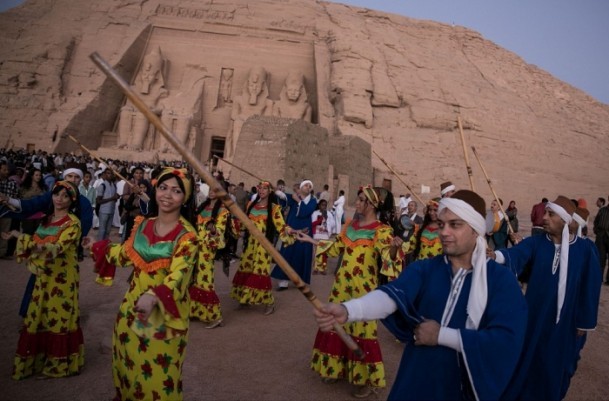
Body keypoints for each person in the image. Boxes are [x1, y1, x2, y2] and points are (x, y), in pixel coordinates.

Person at [313, 190, 528, 400]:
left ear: (476, 229)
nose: (444, 232)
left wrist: (441, 335)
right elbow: (391, 296)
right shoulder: (426, 268)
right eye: (442, 224)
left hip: (462, 387)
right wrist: (348, 310)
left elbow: (505, 341)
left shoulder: (502, 281)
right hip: (416, 378)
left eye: (455, 225)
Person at [90, 168, 199, 401]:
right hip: (131, 310)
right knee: (128, 369)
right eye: (163, 188)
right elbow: (123, 254)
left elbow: (179, 275)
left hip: (163, 316)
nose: (167, 195)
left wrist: (154, 296)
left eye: (176, 191)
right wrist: (97, 246)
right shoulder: (143, 224)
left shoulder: (187, 236)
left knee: (157, 378)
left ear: (185, 198)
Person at [490, 195, 602, 400]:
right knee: (528, 358)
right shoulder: (537, 243)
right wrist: (495, 255)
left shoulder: (585, 250)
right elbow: (516, 255)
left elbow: (591, 287)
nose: (544, 218)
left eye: (551, 214)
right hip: (536, 315)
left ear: (564, 220)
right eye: (546, 213)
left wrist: (584, 322)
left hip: (566, 321)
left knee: (556, 363)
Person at [296, 185, 402, 398]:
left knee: (362, 330)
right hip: (341, 285)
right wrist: (310, 240)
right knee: (336, 324)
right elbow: (336, 247)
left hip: (363, 289)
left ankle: (367, 380)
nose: (358, 203)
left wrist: (394, 247)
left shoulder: (381, 230)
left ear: (372, 204)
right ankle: (335, 368)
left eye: (362, 200)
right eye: (359, 199)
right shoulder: (350, 225)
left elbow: (387, 257)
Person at [3, 181, 84, 379]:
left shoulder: (73, 223)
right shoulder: (46, 220)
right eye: (57, 194)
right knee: (39, 315)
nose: (59, 199)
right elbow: (37, 242)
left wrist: (23, 238)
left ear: (72, 201)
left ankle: (57, 366)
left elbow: (57, 248)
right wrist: (17, 236)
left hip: (62, 280)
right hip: (43, 276)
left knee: (58, 318)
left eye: (65, 196)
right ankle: (37, 362)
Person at [231, 180, 295, 315]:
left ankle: (269, 302)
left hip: (264, 247)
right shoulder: (251, 205)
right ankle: (245, 299)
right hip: (250, 245)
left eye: (264, 188)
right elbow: (244, 223)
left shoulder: (274, 208)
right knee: (246, 268)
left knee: (260, 273)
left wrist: (290, 231)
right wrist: (234, 223)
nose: (261, 190)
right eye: (259, 188)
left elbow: (281, 225)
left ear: (270, 191)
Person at [189, 185, 231, 329]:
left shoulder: (223, 211)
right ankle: (196, 311)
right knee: (195, 279)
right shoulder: (203, 206)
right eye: (210, 189)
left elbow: (220, 231)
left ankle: (215, 316)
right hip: (196, 248)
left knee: (205, 280)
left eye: (215, 190)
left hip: (207, 249)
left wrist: (213, 231)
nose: (212, 192)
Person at [272, 179, 317, 290]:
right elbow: (282, 198)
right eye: (306, 185)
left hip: (305, 232)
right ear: (301, 187)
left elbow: (305, 212)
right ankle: (283, 282)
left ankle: (299, 280)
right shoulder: (293, 197)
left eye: (310, 186)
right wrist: (277, 191)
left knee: (302, 255)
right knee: (287, 253)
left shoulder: (313, 201)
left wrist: (298, 200)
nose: (308, 187)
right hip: (291, 229)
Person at [18, 168, 48, 235]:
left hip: (40, 213)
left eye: (40, 175)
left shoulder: (43, 187)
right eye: (36, 175)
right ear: (32, 176)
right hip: (28, 213)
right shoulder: (25, 187)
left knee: (38, 233)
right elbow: (21, 199)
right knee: (28, 232)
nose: (38, 177)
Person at [311, 199, 335, 274]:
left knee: (324, 253)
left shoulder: (329, 214)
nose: (324, 207)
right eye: (322, 205)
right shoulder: (315, 213)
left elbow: (333, 224)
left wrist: (327, 220)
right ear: (319, 205)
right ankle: (316, 268)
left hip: (325, 236)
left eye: (325, 205)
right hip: (317, 235)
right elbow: (312, 224)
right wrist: (320, 220)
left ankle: (323, 268)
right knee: (316, 252)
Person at [96, 168, 119, 241]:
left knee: (108, 230)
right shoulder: (102, 186)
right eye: (108, 173)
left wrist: (116, 197)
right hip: (104, 211)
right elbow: (98, 201)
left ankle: (104, 245)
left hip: (111, 210)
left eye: (111, 173)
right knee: (102, 230)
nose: (110, 175)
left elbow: (114, 199)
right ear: (105, 175)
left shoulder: (114, 185)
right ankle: (99, 245)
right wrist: (112, 198)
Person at [593, 196, 609, 285]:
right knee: (600, 258)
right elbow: (596, 221)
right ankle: (598, 278)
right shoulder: (602, 210)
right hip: (601, 237)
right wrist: (596, 231)